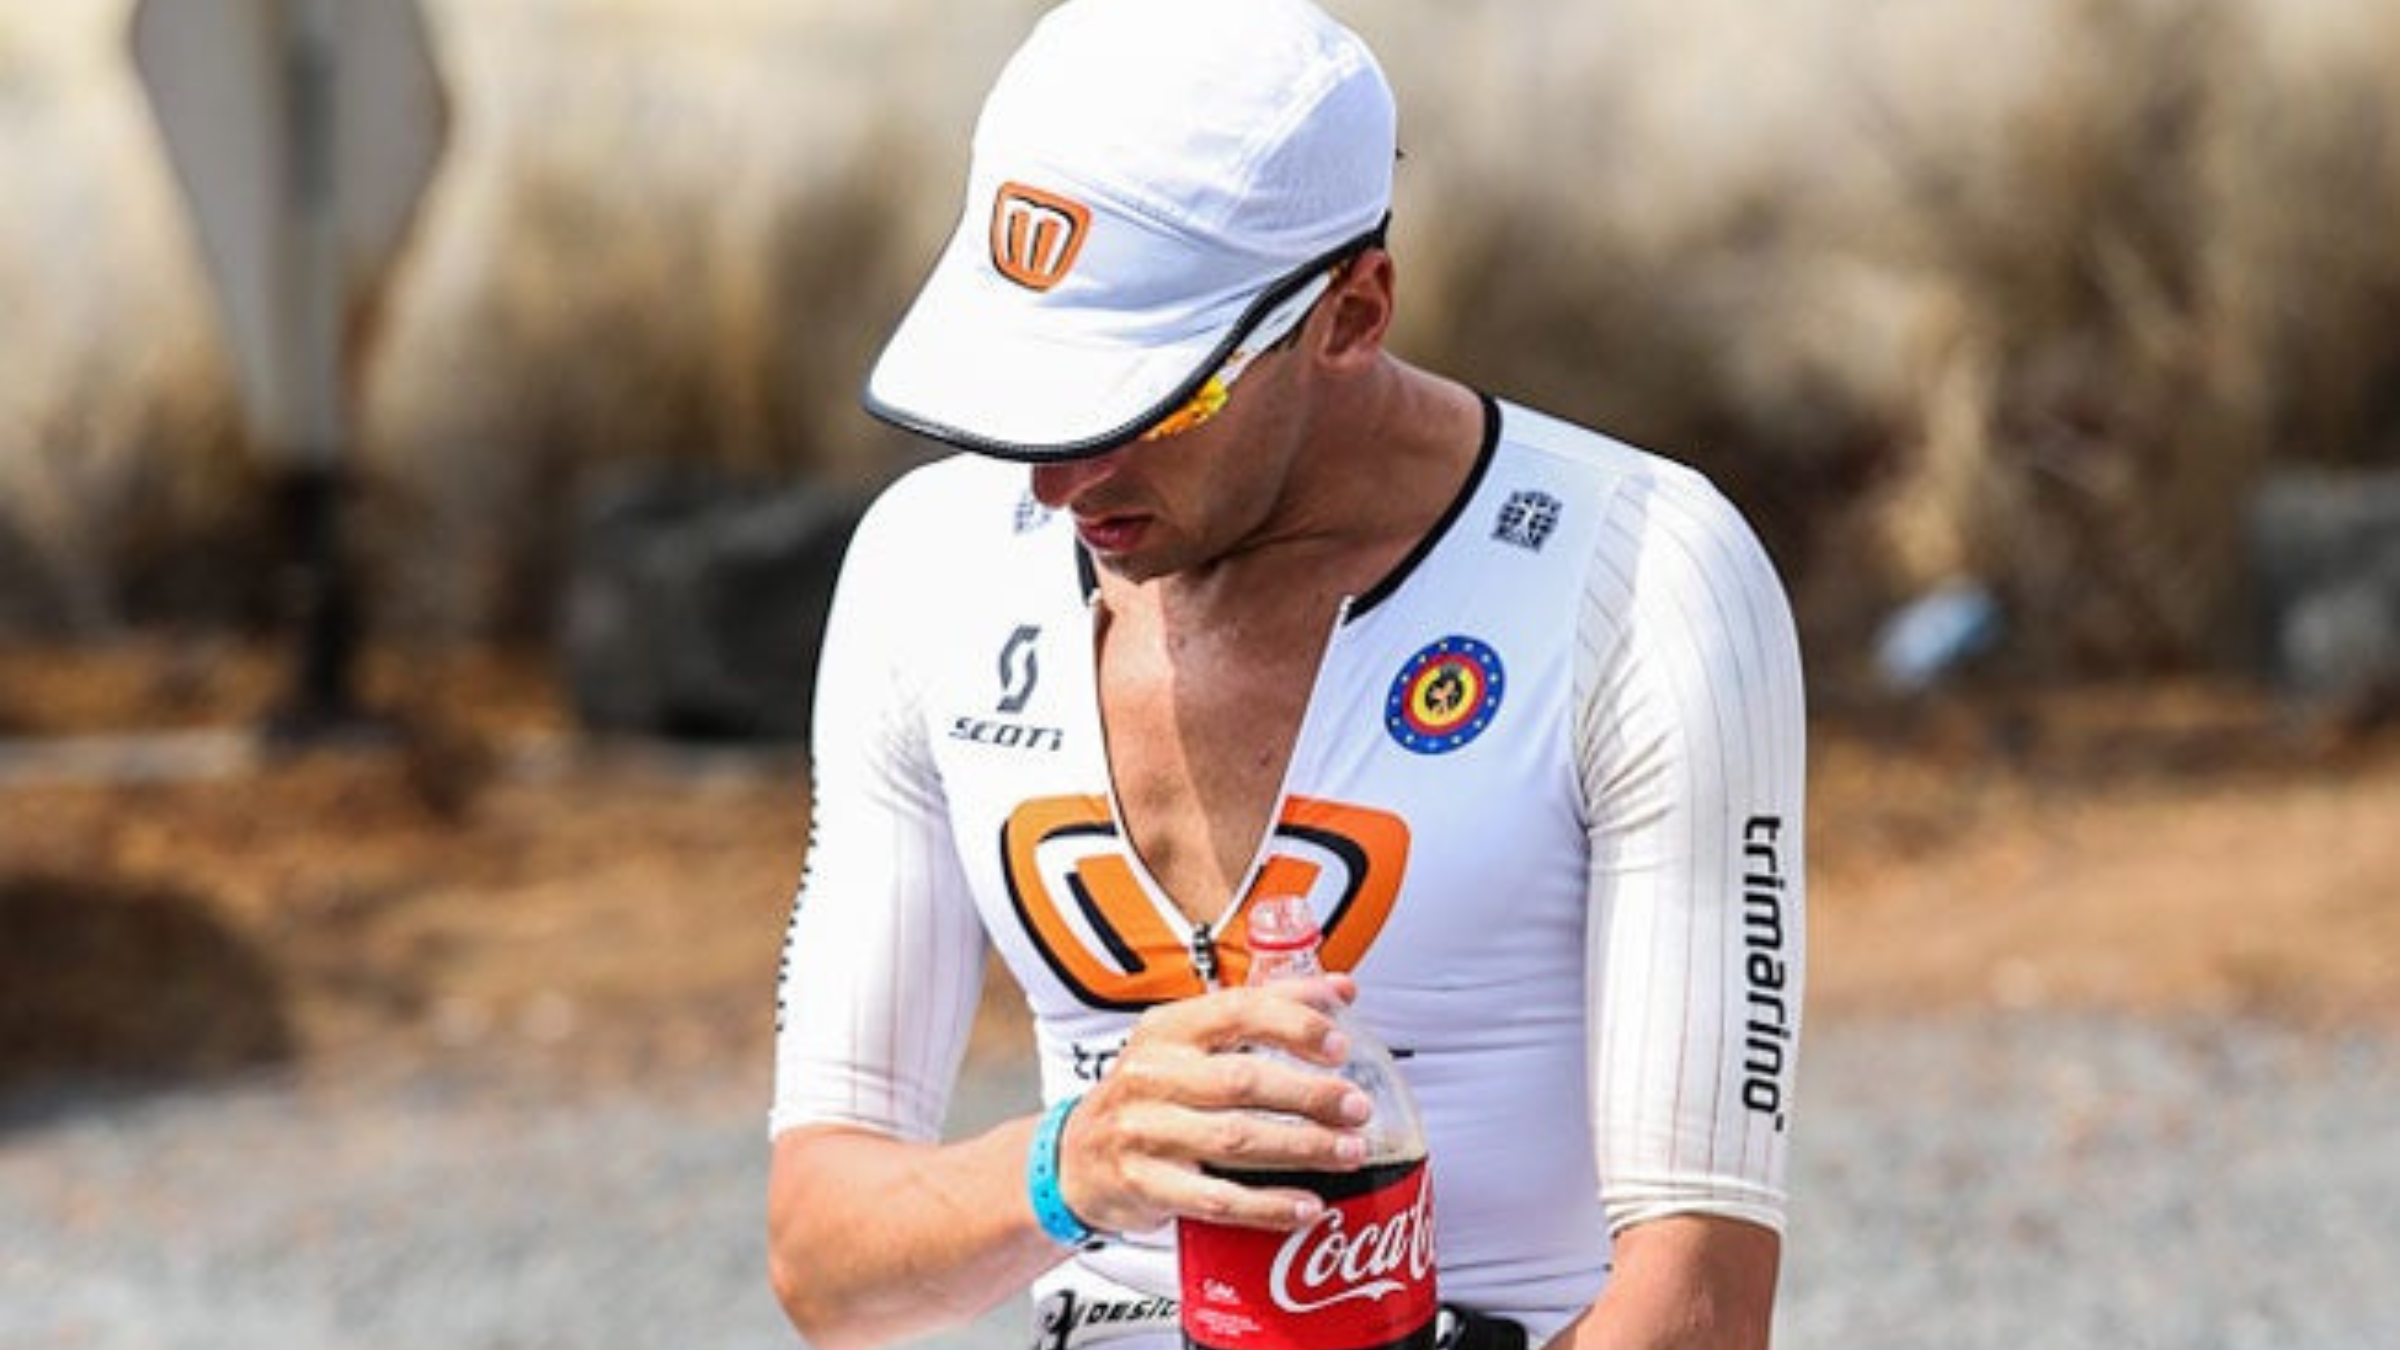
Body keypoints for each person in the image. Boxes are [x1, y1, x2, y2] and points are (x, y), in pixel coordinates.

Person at [765, 1, 1807, 1347]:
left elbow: (1701, 1300)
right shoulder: (924, 562)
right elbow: (824, 1266)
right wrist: (1072, 1161)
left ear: (1352, 311)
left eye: (1148, 397)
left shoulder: (1646, 571)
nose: (1056, 474)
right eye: (1030, 387)